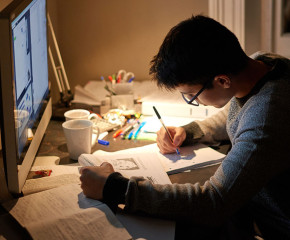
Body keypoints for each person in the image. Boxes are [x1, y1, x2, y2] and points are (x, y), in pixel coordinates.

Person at [80, 15, 290, 239]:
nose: (193, 101)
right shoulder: (263, 64)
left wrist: (116, 188)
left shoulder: (267, 117)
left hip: (272, 226)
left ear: (222, 81)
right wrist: (190, 131)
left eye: (192, 95)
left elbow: (213, 202)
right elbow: (239, 112)